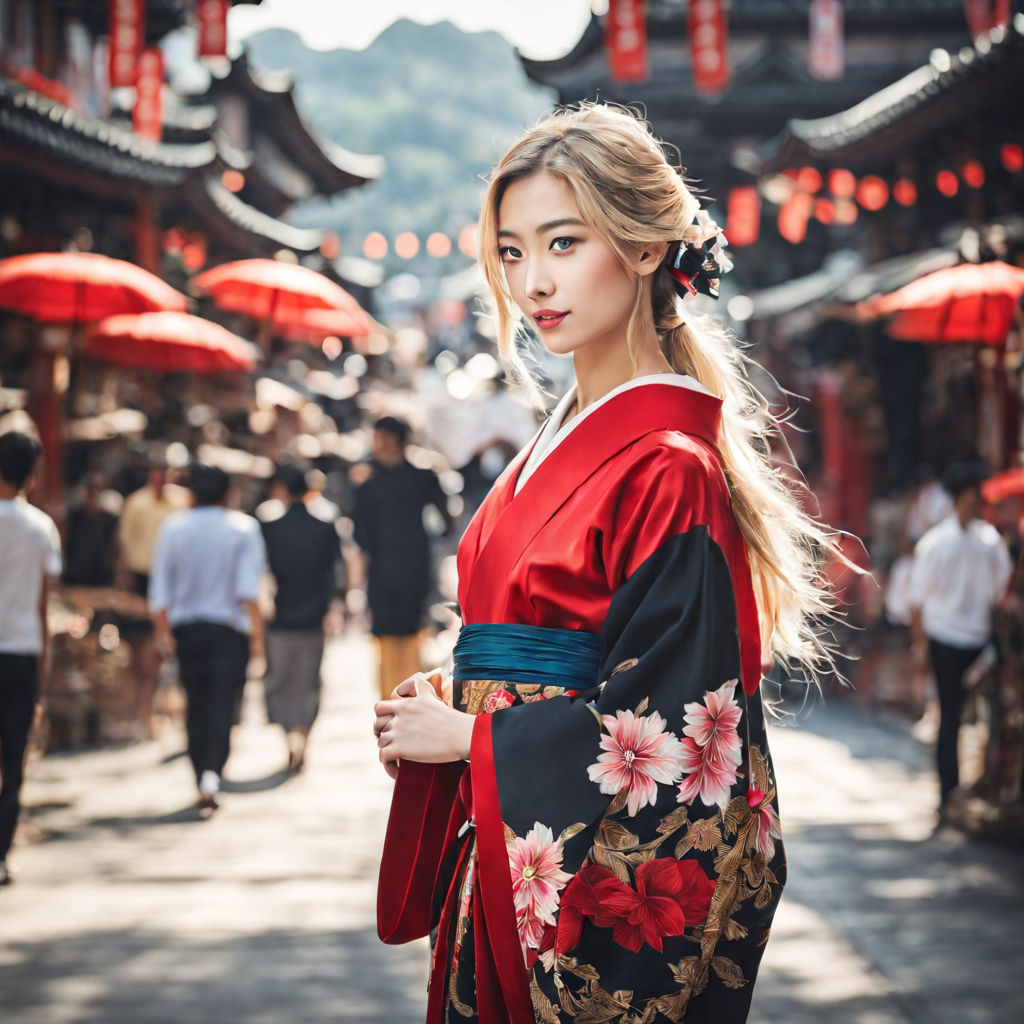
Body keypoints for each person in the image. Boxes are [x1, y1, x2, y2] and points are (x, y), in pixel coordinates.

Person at [372, 104, 842, 1023]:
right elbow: (540, 640)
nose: (533, 281)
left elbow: (676, 718)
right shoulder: (564, 437)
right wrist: (463, 691)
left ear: (639, 250)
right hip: (510, 857)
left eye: (561, 242)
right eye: (511, 253)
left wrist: (476, 739)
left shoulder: (668, 463)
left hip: (559, 870)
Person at [149, 463, 266, 815]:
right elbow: (249, 591)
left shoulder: (174, 528)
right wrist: (258, 639)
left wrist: (163, 635)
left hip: (188, 633)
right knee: (223, 706)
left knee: (196, 704)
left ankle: (202, 772)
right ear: (228, 493)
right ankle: (212, 774)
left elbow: (160, 592)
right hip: (229, 633)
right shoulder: (243, 528)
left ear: (192, 493)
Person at [908, 461, 1012, 819]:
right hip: (944, 639)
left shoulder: (990, 542)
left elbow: (999, 591)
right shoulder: (936, 543)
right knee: (950, 718)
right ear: (956, 498)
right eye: (969, 496)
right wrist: (922, 648)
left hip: (979, 642)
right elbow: (918, 601)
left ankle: (984, 788)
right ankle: (947, 794)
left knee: (992, 716)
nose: (974, 502)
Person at [353, 417, 453, 700]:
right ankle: (411, 702)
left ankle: (392, 703)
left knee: (392, 638)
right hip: (412, 570)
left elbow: (361, 537)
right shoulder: (423, 478)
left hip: (387, 573)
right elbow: (445, 522)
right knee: (408, 636)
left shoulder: (367, 484)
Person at [0, 432, 61, 886]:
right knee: (14, 756)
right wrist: (43, 675)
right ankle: (2, 852)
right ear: (32, 474)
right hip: (20, 654)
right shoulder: (40, 528)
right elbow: (43, 608)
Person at [259, 462, 342, 772]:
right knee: (308, 682)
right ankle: (302, 739)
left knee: (280, 680)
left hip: (279, 618)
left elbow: (261, 574)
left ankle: (289, 742)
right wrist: (335, 608)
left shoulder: (268, 528)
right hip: (314, 618)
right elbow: (335, 574)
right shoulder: (324, 527)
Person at [118, 457, 189, 597]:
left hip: (168, 569)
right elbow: (125, 538)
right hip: (140, 569)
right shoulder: (136, 502)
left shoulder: (180, 501)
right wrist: (123, 571)